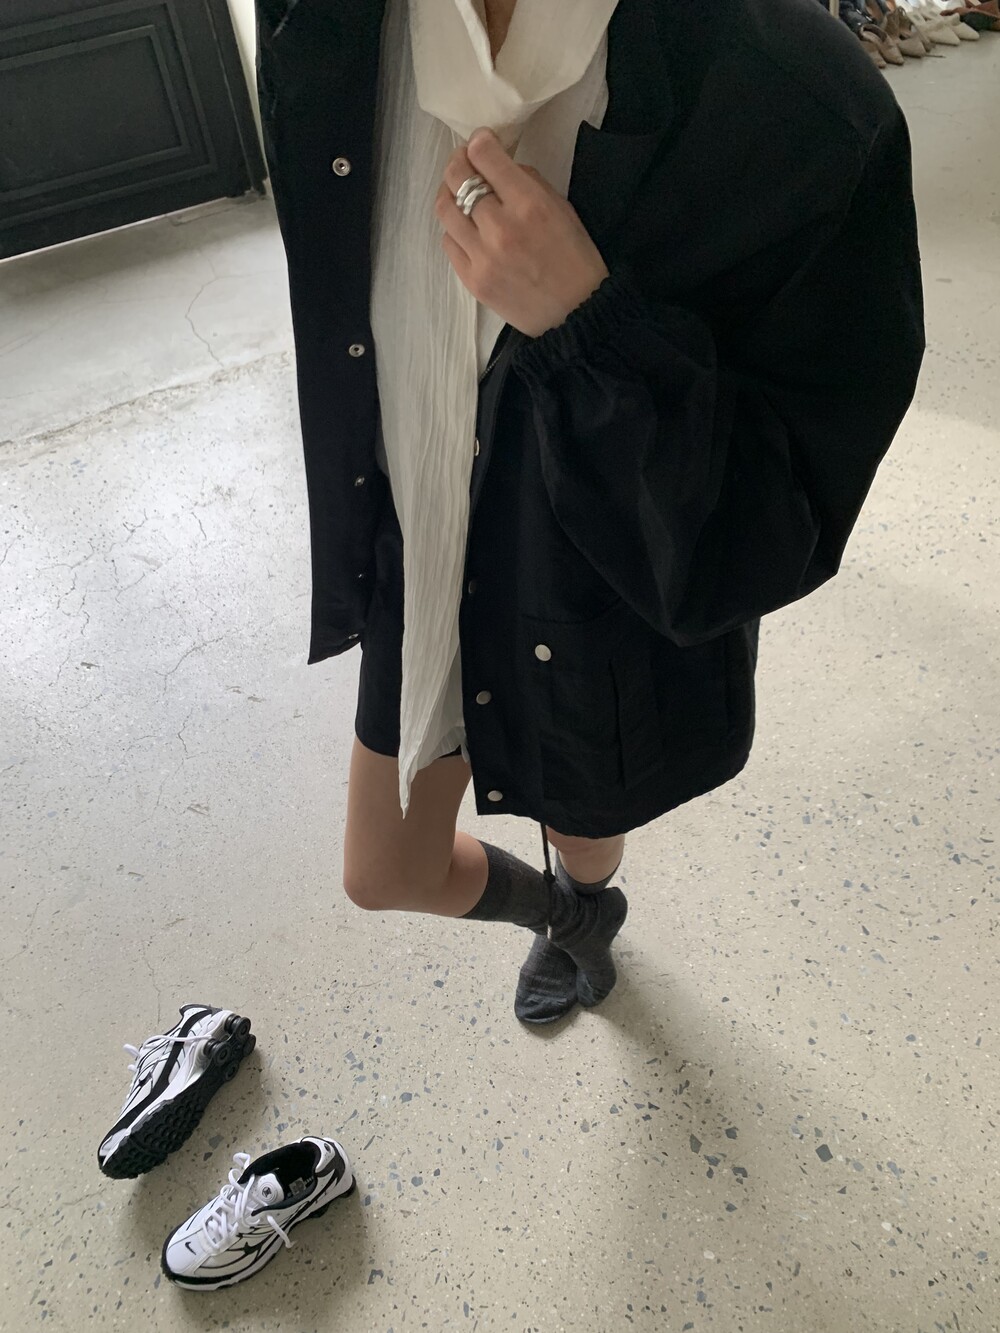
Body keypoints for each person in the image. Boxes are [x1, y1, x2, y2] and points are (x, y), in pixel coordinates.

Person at [255, 0, 924, 1024]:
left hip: (592, 578)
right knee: (383, 869)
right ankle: (572, 921)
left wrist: (589, 328)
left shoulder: (798, 94)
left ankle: (584, 888)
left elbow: (774, 518)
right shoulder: (328, 19)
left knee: (580, 818)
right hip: (420, 539)